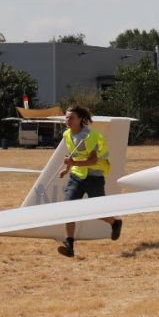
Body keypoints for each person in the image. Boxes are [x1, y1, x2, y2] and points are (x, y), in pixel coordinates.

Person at [56, 105, 123, 258]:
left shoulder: (90, 136)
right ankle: (69, 245)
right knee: (68, 210)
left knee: (97, 211)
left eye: (71, 118)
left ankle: (115, 223)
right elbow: (72, 155)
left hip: (94, 177)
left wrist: (73, 163)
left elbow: (92, 160)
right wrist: (67, 169)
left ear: (80, 119)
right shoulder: (67, 134)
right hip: (76, 176)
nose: (68, 120)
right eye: (66, 118)